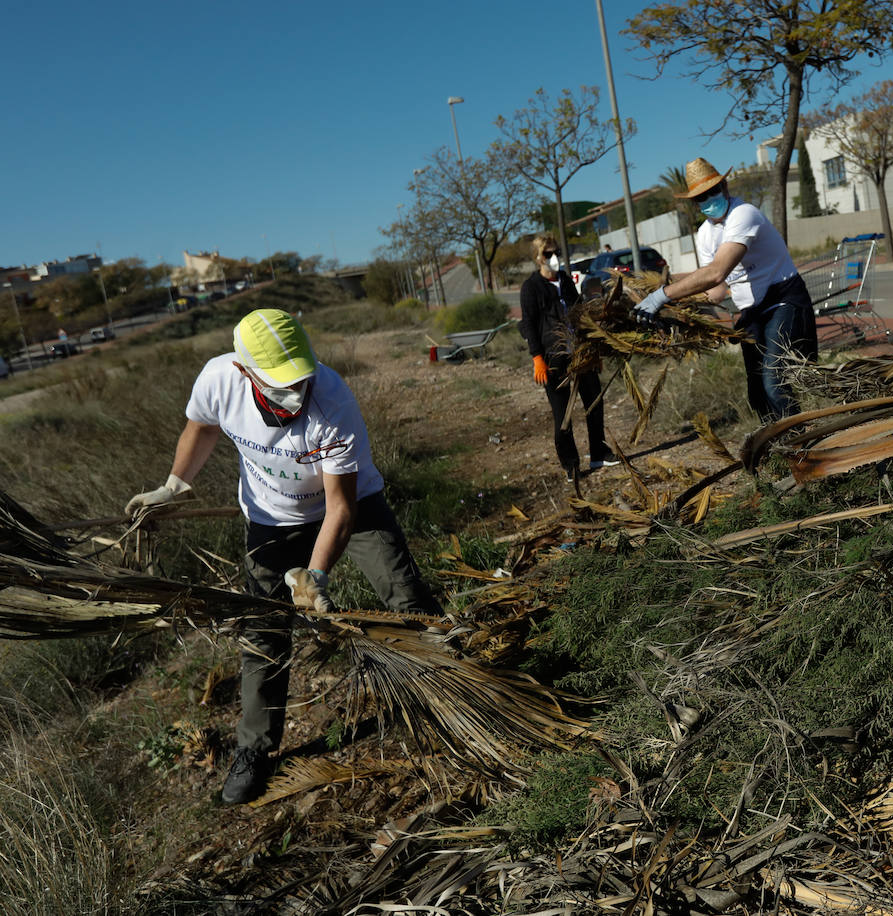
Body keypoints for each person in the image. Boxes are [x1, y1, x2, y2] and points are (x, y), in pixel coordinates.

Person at [125, 308, 442, 804]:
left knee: (404, 596)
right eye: (280, 383)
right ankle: (255, 752)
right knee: (263, 632)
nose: (295, 392)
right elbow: (202, 427)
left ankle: (446, 692)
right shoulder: (218, 379)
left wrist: (314, 576)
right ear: (245, 370)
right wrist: (174, 485)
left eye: (301, 379)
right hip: (269, 519)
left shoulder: (333, 402)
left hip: (348, 507)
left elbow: (340, 508)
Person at [634, 157, 818, 423]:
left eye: (712, 191)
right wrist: (679, 312)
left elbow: (716, 272)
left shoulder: (743, 214)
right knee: (757, 394)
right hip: (753, 312)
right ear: (694, 203)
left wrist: (662, 294)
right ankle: (778, 449)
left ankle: (804, 448)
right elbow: (716, 290)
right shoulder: (705, 234)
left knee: (774, 381)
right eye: (701, 197)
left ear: (725, 186)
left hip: (783, 301)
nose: (709, 199)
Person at [518, 234, 618, 482]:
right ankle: (571, 465)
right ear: (537, 258)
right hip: (553, 356)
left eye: (556, 253)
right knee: (562, 412)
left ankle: (599, 452)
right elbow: (528, 324)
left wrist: (592, 345)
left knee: (594, 401)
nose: (553, 259)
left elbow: (577, 310)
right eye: (547, 254)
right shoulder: (530, 288)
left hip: (579, 350)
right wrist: (536, 358)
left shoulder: (564, 279)